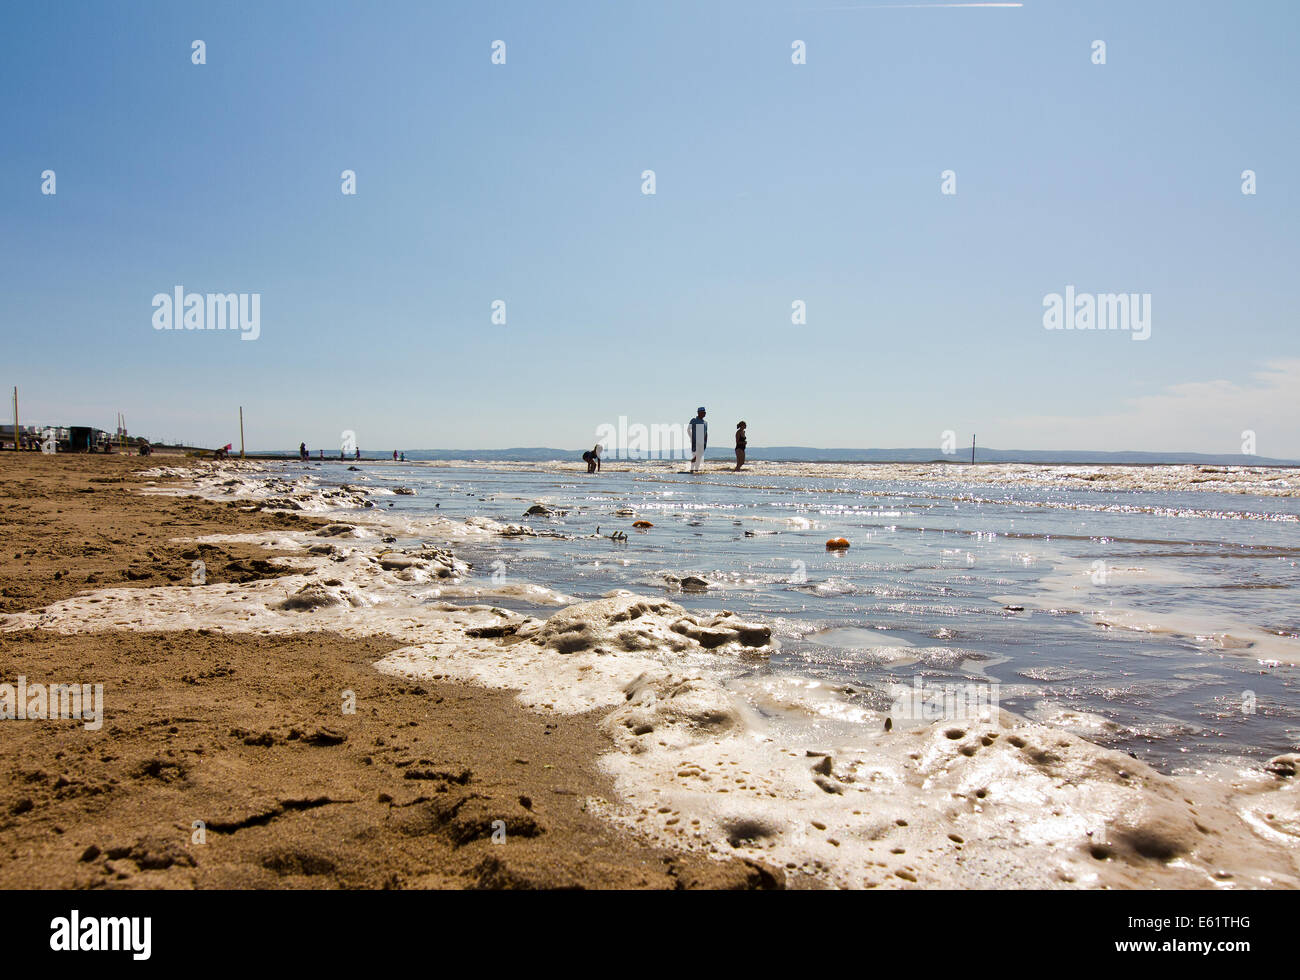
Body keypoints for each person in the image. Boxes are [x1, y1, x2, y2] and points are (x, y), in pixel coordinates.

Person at [688, 407, 707, 473]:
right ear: (698, 413)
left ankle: (696, 470)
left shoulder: (705, 422)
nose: (704, 414)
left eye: (705, 412)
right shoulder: (694, 420)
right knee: (695, 456)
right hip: (695, 442)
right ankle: (691, 470)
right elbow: (688, 429)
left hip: (702, 443)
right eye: (703, 412)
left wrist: (705, 442)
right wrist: (691, 437)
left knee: (699, 457)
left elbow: (706, 433)